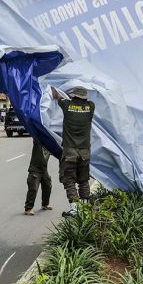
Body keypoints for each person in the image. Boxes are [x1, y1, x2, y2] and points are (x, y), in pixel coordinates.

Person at [51, 86, 95, 217]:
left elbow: (56, 95)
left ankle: (75, 209)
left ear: (73, 96)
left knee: (69, 180)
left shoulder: (67, 105)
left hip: (70, 151)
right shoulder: (91, 107)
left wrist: (51, 85)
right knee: (83, 180)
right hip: (85, 151)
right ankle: (85, 207)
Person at [24, 140, 53, 216]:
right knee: (33, 188)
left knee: (48, 185)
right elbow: (35, 133)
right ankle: (28, 208)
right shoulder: (38, 142)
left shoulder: (50, 146)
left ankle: (45, 204)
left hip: (44, 170)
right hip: (35, 169)